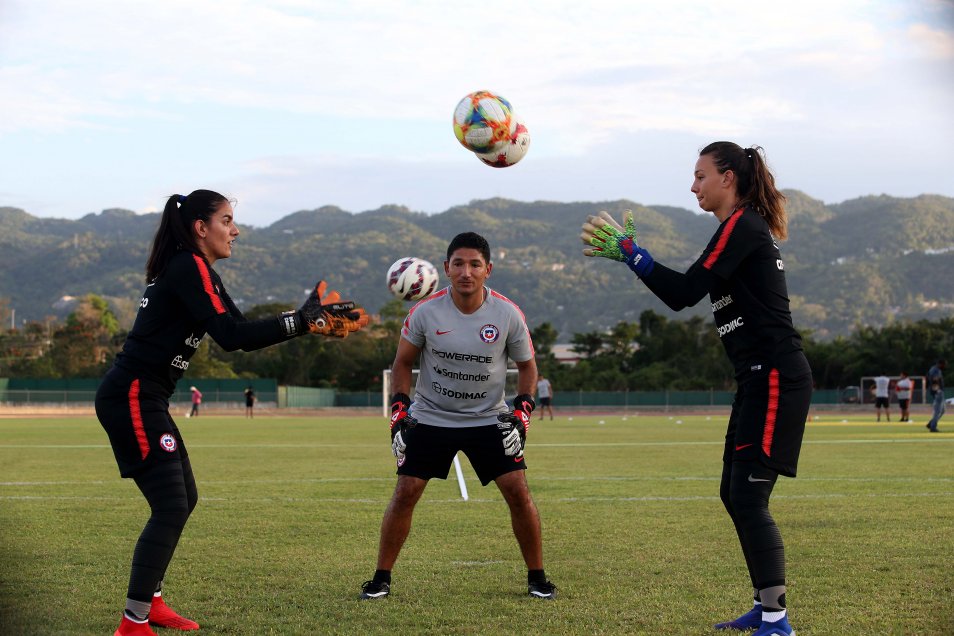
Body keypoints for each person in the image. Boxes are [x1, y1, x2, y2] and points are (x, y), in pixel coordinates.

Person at [94, 189, 369, 636]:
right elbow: (229, 334)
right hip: (132, 396)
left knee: (183, 500)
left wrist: (302, 320)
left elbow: (237, 332)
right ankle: (133, 622)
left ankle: (152, 602)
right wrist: (301, 321)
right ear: (200, 228)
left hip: (145, 397)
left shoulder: (197, 269)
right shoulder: (188, 265)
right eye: (226, 220)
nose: (235, 229)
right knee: (169, 505)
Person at [582, 142, 811, 636]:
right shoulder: (734, 230)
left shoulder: (743, 225)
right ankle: (764, 605)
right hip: (755, 378)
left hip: (774, 375)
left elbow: (684, 294)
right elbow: (683, 294)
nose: (693, 186)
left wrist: (634, 255)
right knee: (734, 493)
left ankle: (777, 620)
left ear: (728, 178)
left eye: (700, 175)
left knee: (749, 498)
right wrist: (634, 259)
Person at [359, 231, 557, 601]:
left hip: (488, 418)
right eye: (459, 264)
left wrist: (522, 413)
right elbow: (402, 363)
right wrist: (400, 412)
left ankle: (538, 577)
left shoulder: (507, 313)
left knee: (518, 491)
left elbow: (528, 368)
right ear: (447, 267)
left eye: (475, 264)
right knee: (406, 491)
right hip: (432, 416)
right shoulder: (425, 311)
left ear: (488, 270)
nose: (467, 271)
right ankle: (381, 578)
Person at [926, 359, 946, 432]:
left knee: (942, 410)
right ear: (940, 364)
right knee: (937, 411)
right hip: (938, 392)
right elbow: (934, 380)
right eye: (944, 364)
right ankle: (933, 427)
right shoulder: (936, 370)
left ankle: (931, 423)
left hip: (936, 391)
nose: (944, 366)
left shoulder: (933, 369)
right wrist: (937, 390)